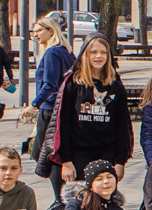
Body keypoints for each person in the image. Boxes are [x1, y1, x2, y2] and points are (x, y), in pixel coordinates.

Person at [51, 37, 133, 187]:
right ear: (85, 54)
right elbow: (63, 124)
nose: (98, 56)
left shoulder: (115, 85)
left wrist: (120, 161)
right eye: (93, 52)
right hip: (78, 152)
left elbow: (122, 125)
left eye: (103, 52)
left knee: (104, 198)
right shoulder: (73, 84)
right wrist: (66, 160)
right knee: (81, 199)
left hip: (107, 152)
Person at [22, 20, 77, 210]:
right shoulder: (66, 51)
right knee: (49, 153)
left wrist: (33, 105)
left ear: (50, 30)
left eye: (38, 31)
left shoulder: (52, 52)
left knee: (46, 154)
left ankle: (61, 199)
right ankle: (64, 196)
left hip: (50, 108)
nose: (34, 34)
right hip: (61, 108)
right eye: (33, 31)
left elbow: (50, 84)